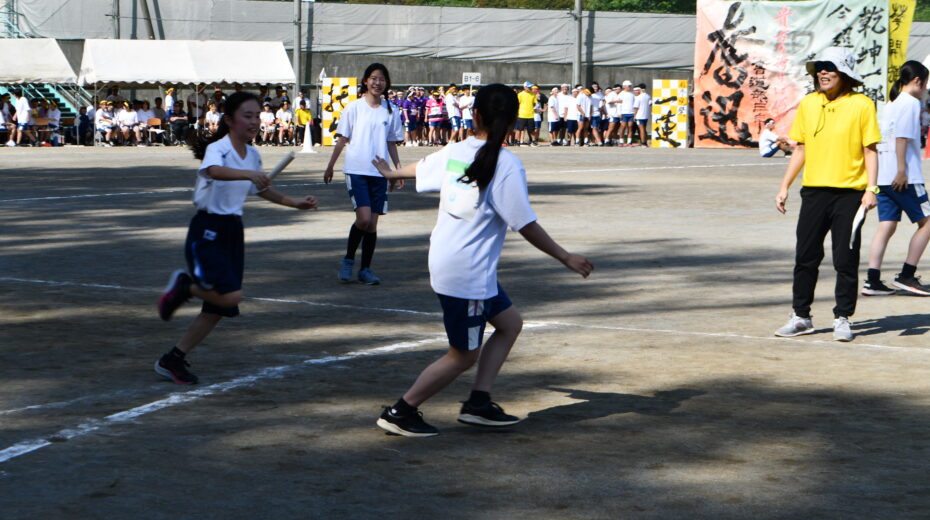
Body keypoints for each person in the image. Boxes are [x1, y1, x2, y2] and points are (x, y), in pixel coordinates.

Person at [369, 83, 594, 437]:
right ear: (514, 119)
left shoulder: (460, 150)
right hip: (466, 271)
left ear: (475, 115)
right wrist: (565, 256)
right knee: (463, 355)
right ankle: (401, 411)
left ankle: (478, 403)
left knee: (509, 323)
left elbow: (423, 167)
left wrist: (392, 173)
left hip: (458, 263)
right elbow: (524, 223)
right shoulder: (506, 164)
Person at [154, 91, 318, 385]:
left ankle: (173, 359)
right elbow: (214, 171)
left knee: (219, 308)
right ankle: (186, 286)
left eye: (257, 115)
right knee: (231, 295)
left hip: (232, 230)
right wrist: (248, 175)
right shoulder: (219, 149)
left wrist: (295, 202)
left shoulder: (253, 155)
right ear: (229, 120)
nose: (254, 121)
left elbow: (262, 189)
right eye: (247, 115)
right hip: (208, 229)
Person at [774, 47, 880, 342]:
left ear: (844, 73)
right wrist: (785, 186)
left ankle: (843, 317)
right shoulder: (809, 104)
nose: (822, 72)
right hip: (814, 192)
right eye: (819, 67)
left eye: (829, 67)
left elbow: (869, 149)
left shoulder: (862, 105)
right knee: (805, 255)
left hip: (850, 195)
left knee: (845, 259)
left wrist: (872, 189)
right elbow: (801, 148)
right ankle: (801, 316)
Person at [323, 63, 404, 285]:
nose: (378, 83)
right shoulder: (354, 107)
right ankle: (349, 260)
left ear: (387, 84)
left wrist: (396, 171)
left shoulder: (391, 110)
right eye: (373, 78)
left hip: (380, 173)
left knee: (373, 225)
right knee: (364, 218)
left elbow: (391, 143)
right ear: (366, 81)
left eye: (382, 79)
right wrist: (330, 165)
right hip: (357, 170)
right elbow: (342, 139)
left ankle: (365, 269)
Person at [863, 60, 930, 297]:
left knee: (887, 225)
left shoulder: (890, 104)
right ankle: (907, 275)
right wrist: (902, 170)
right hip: (906, 177)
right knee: (928, 222)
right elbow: (901, 138)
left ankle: (872, 280)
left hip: (882, 175)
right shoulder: (911, 103)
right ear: (917, 82)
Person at [516, 81, 536, 146]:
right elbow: (517, 104)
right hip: (522, 114)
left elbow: (534, 103)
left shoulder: (533, 94)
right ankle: (519, 141)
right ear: (524, 87)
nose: (530, 88)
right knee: (520, 129)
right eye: (528, 87)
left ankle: (533, 141)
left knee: (531, 129)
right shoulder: (520, 94)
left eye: (530, 86)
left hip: (530, 115)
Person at [617, 81, 636, 146]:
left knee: (630, 127)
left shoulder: (632, 94)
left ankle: (629, 141)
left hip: (631, 113)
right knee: (623, 126)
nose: (630, 87)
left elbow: (634, 104)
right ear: (624, 86)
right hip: (623, 113)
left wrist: (634, 113)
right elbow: (618, 104)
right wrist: (619, 113)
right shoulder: (621, 94)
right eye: (629, 86)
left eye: (630, 86)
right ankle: (621, 141)